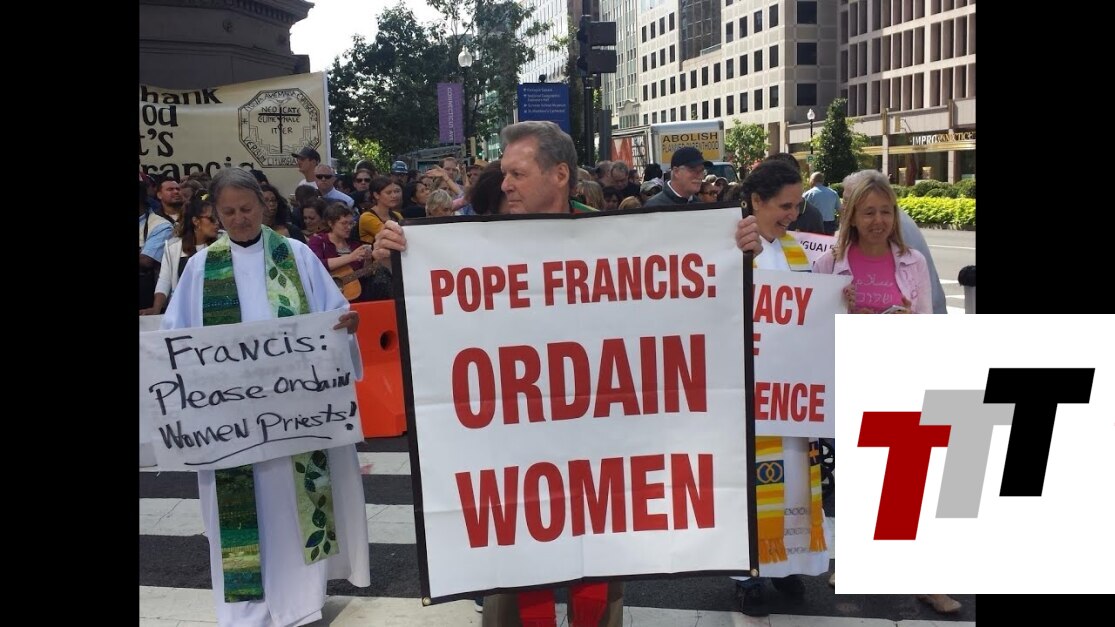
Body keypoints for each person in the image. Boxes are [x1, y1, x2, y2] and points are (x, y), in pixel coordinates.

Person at [372, 120, 763, 627]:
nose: (505, 184)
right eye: (504, 174)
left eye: (517, 173)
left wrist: (735, 253)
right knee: (511, 587)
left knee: (600, 572)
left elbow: (679, 313)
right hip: (511, 450)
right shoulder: (473, 241)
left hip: (602, 448)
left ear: (559, 174)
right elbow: (441, 329)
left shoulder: (614, 239)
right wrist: (399, 264)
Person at [159, 167, 369, 627]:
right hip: (232, 423)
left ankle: (302, 601)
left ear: (263, 204)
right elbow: (176, 339)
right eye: (229, 211)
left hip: (294, 418)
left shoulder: (295, 255)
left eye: (247, 208)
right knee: (241, 513)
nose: (239, 219)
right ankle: (246, 611)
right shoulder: (201, 268)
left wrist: (346, 326)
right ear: (215, 214)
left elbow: (334, 315)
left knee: (296, 508)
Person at [732, 159, 831, 617]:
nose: (792, 215)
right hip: (749, 388)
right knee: (751, 485)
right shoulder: (732, 244)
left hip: (790, 389)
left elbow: (809, 312)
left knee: (792, 482)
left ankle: (785, 563)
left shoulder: (795, 250)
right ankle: (748, 576)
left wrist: (837, 301)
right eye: (784, 206)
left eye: (796, 206)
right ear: (756, 200)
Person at [812, 169, 931, 314]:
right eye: (869, 213)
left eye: (885, 212)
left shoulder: (915, 262)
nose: (878, 220)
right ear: (852, 218)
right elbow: (815, 323)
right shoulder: (826, 265)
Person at [140, 196, 221, 316]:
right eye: (212, 219)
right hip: (183, 311)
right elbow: (164, 280)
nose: (217, 223)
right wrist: (156, 309)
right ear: (196, 221)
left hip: (216, 310)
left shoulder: (223, 243)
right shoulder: (173, 247)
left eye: (218, 218)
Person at [643, 147, 710, 206]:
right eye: (693, 170)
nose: (700, 176)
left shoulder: (699, 204)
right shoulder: (654, 206)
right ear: (676, 172)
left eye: (702, 171)